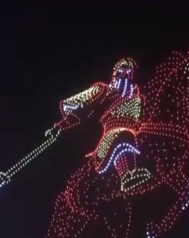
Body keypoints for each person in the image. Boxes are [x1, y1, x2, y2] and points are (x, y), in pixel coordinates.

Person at [51, 58, 152, 192]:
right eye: (121, 70)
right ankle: (127, 176)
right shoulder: (102, 90)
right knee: (123, 135)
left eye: (128, 70)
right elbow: (72, 104)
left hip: (131, 131)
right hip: (108, 138)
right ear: (115, 73)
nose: (124, 73)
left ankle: (131, 174)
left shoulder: (135, 94)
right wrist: (61, 125)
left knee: (128, 135)